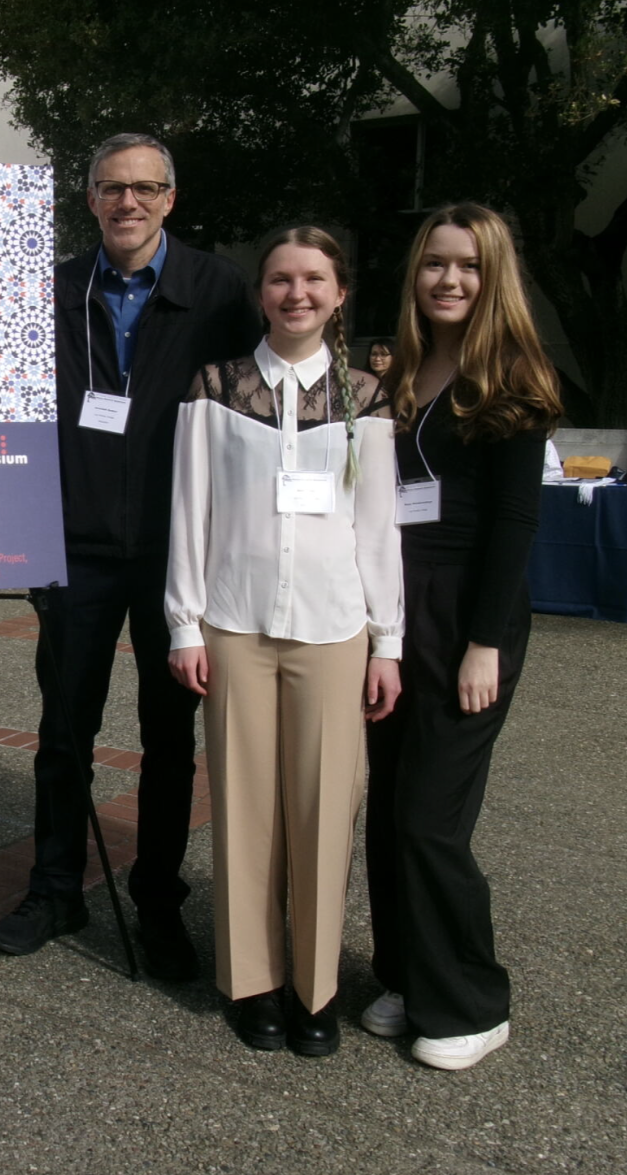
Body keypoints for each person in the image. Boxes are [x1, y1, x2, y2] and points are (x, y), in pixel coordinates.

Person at [0, 133, 260, 979]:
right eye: (111, 188)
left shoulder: (219, 291)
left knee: (169, 735)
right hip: (74, 549)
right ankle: (56, 886)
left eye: (145, 188)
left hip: (179, 553)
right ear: (91, 198)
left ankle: (157, 899)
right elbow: (13, 408)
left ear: (171, 199)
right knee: (64, 728)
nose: (128, 203)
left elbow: (251, 420)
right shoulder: (54, 288)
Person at [165, 227, 403, 1057]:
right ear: (259, 292)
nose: (295, 293)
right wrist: (183, 624)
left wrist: (389, 642)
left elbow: (377, 530)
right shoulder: (216, 388)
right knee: (244, 807)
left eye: (313, 279)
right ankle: (253, 982)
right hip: (234, 625)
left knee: (324, 807)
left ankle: (316, 987)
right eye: (278, 279)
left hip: (336, 629)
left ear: (340, 294)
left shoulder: (369, 398)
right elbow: (190, 513)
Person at [363, 203, 562, 1071]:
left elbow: (515, 523)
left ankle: (474, 1002)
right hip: (396, 614)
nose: (450, 279)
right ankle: (408, 976)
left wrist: (486, 643)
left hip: (467, 618)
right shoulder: (402, 370)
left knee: (429, 822)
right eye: (436, 263)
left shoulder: (513, 375)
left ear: (495, 279)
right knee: (388, 816)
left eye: (469, 266)